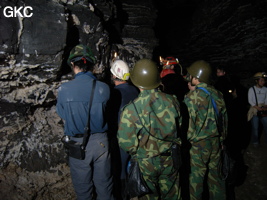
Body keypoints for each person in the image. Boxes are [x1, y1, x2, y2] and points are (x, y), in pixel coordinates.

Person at [117, 58, 182, 200]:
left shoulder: (131, 109)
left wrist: (139, 151)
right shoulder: (173, 101)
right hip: (170, 159)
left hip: (146, 164)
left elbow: (125, 143)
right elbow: (180, 127)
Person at [56, 44, 114, 200]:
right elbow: (107, 113)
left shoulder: (63, 89)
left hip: (78, 145)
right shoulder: (104, 88)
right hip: (101, 143)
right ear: (91, 65)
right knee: (105, 187)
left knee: (83, 190)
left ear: (73, 65)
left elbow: (63, 114)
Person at [184, 60, 228, 200]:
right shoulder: (218, 94)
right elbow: (224, 121)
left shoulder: (191, 97)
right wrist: (222, 140)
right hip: (215, 143)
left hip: (198, 146)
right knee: (216, 179)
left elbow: (187, 125)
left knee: (196, 181)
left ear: (196, 77)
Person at [107, 59, 139, 200]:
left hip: (120, 138)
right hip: (136, 136)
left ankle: (122, 196)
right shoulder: (135, 90)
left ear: (114, 75)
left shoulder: (113, 94)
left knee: (119, 171)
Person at [247, 72, 267, 147]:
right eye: (261, 80)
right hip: (255, 110)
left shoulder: (265, 89)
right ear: (257, 81)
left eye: (264, 80)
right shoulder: (252, 89)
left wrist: (265, 106)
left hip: (264, 109)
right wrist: (257, 107)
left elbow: (266, 99)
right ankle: (255, 142)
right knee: (255, 127)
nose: (263, 82)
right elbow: (250, 100)